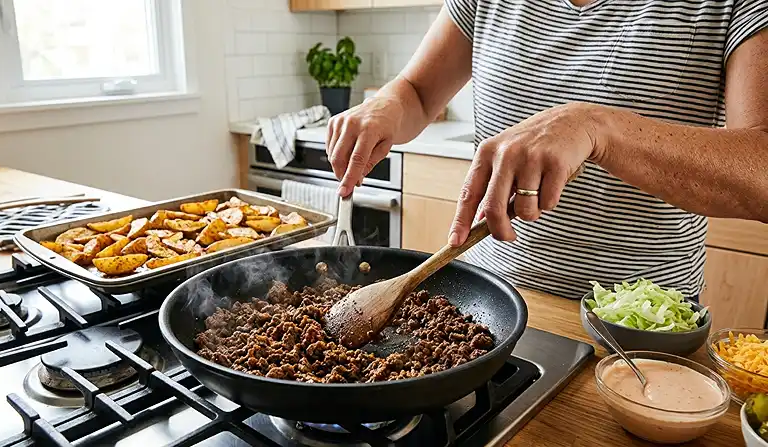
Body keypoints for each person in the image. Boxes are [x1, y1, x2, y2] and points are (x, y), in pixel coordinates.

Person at [325, 0, 768, 299]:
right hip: (489, 299)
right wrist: (386, 103)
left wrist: (597, 126)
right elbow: (418, 93)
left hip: (638, 327)